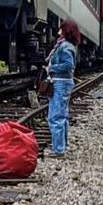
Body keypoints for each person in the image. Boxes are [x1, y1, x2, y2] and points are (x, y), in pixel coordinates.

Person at [46, 20, 80, 157]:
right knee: (63, 115)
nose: (58, 31)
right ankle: (62, 145)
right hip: (64, 82)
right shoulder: (67, 45)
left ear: (66, 31)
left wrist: (51, 68)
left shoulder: (65, 46)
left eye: (61, 28)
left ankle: (58, 149)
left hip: (60, 82)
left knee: (55, 116)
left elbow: (68, 65)